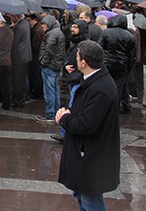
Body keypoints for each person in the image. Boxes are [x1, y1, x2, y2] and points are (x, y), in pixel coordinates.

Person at [56, 41, 120, 210]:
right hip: (87, 153)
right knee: (82, 194)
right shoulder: (94, 81)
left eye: (77, 56)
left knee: (90, 200)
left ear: (84, 62)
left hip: (91, 155)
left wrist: (64, 119)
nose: (75, 59)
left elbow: (86, 124)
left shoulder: (100, 88)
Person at [52, 19, 89, 143]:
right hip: (73, 78)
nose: (72, 29)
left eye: (75, 27)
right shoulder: (75, 42)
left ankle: (65, 132)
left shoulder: (84, 44)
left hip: (78, 80)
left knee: (73, 106)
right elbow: (70, 58)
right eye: (72, 26)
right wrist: (66, 65)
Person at [98, 15, 136, 114]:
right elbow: (132, 55)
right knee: (118, 88)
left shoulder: (106, 32)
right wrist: (129, 67)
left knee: (105, 85)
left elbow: (99, 48)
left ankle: (104, 106)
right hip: (122, 65)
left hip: (107, 63)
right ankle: (115, 108)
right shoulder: (130, 36)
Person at [36, 15, 66, 122]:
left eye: (44, 24)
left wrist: (43, 62)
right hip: (56, 65)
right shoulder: (58, 32)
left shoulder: (52, 34)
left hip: (50, 66)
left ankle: (50, 114)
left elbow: (48, 49)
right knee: (55, 90)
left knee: (49, 91)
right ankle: (56, 112)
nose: (42, 25)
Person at [10, 14, 32, 108]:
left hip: (19, 57)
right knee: (22, 79)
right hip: (25, 55)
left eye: (12, 16)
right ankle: (22, 98)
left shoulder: (19, 27)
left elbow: (14, 42)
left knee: (17, 80)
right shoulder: (25, 23)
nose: (11, 18)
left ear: (17, 16)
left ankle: (18, 100)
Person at [27, 13, 45, 99]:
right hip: (37, 54)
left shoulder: (36, 30)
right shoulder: (38, 28)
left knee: (36, 74)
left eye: (30, 20)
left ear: (34, 20)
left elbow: (35, 44)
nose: (29, 22)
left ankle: (37, 92)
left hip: (35, 55)